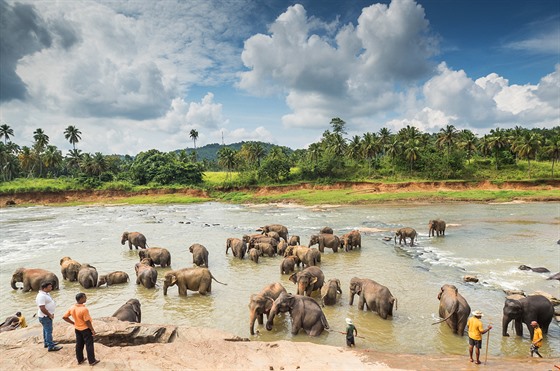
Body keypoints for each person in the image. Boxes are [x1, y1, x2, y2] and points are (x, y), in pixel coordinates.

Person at [63, 293, 100, 366]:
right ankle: (92, 361)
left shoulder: (72, 307)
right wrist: (92, 330)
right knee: (89, 345)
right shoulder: (84, 309)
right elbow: (87, 321)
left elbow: (64, 317)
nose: (86, 298)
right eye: (85, 297)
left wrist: (73, 323)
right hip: (85, 329)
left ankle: (80, 360)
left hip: (77, 329)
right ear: (81, 299)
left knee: (79, 344)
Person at [36, 281, 62, 352]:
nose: (51, 288)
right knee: (48, 331)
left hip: (46, 316)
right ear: (44, 288)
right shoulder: (41, 296)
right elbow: (42, 308)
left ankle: (47, 343)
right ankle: (51, 346)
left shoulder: (46, 294)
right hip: (45, 317)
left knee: (45, 330)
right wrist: (49, 314)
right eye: (50, 287)